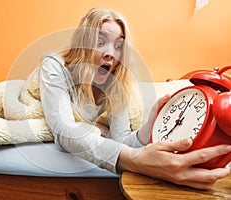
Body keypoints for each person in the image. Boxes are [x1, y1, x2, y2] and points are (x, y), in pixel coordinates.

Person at [39, 7, 231, 190]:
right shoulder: (53, 65)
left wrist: (149, 125)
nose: (110, 53)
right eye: (99, 42)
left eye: (118, 45)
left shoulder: (114, 82)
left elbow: (120, 140)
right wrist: (134, 161)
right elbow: (64, 130)